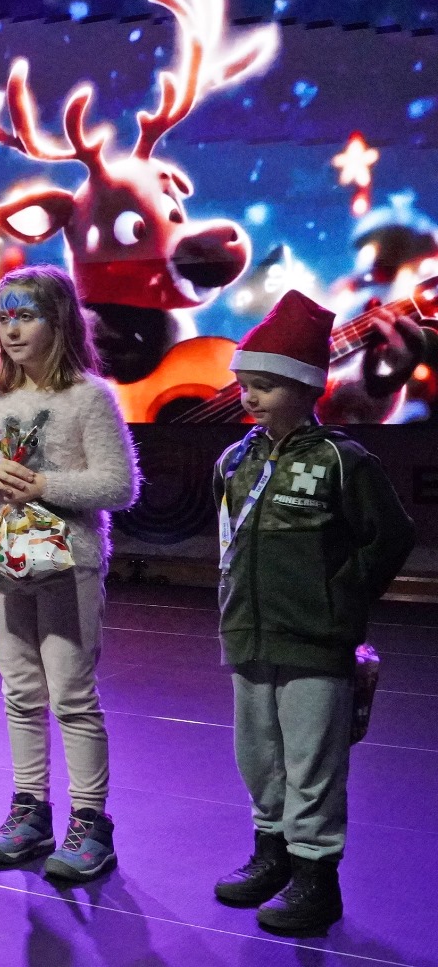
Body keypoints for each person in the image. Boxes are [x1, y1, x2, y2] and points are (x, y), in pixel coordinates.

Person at [209, 291, 415, 934]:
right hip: (248, 635)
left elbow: (391, 536)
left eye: (266, 386)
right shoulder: (234, 460)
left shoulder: (342, 460)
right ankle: (272, 857)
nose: (250, 397)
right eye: (245, 384)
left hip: (315, 641)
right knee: (258, 755)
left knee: (313, 762)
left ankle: (316, 880)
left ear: (306, 388)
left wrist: (341, 597)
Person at [0, 266, 140, 882]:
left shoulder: (88, 396)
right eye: (4, 317)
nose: (12, 329)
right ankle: (30, 811)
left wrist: (44, 485)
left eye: (26, 316)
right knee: (20, 691)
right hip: (5, 560)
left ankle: (91, 823)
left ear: (58, 322)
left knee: (72, 694)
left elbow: (119, 484)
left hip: (69, 562)